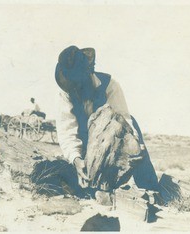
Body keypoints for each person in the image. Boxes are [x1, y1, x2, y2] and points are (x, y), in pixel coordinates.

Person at [55, 45, 160, 193]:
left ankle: (150, 189)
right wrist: (76, 159)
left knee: (134, 125)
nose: (75, 88)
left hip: (108, 142)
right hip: (83, 143)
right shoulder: (65, 93)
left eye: (78, 83)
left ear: (88, 73)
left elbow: (124, 118)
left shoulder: (110, 85)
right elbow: (67, 130)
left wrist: (135, 144)